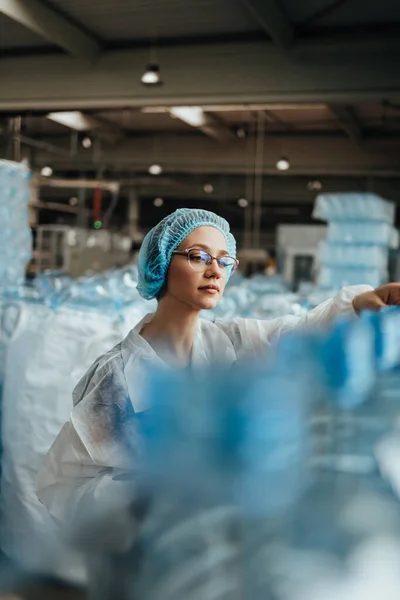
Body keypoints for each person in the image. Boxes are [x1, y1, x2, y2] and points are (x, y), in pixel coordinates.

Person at [37, 208, 400, 524]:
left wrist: (358, 305)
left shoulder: (229, 344)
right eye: (198, 256)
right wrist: (146, 501)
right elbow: (62, 483)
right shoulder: (120, 377)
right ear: (161, 263)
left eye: (225, 261)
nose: (215, 270)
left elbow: (298, 334)